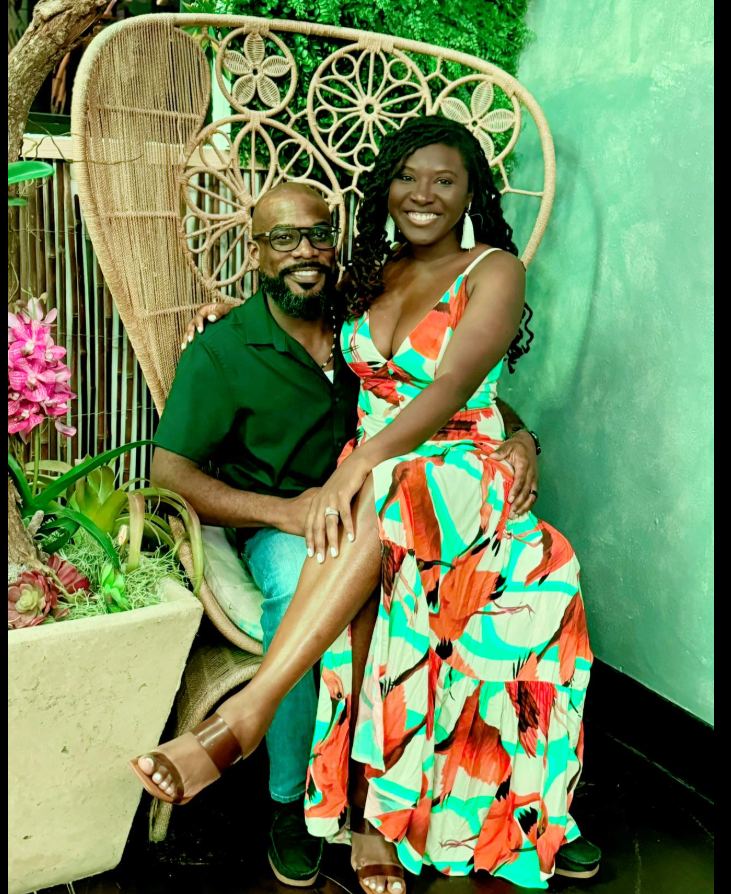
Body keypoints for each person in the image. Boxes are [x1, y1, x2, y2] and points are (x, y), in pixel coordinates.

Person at [133, 175, 540, 888]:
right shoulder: (222, 350)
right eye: (282, 238)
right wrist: (283, 513)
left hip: (389, 507)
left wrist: (524, 435)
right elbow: (168, 475)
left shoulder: (364, 321)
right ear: (254, 252)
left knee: (430, 581)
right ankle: (291, 801)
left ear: (338, 243)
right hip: (282, 521)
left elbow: (447, 395)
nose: (304, 251)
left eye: (318, 235)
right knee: (299, 589)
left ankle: (432, 805)